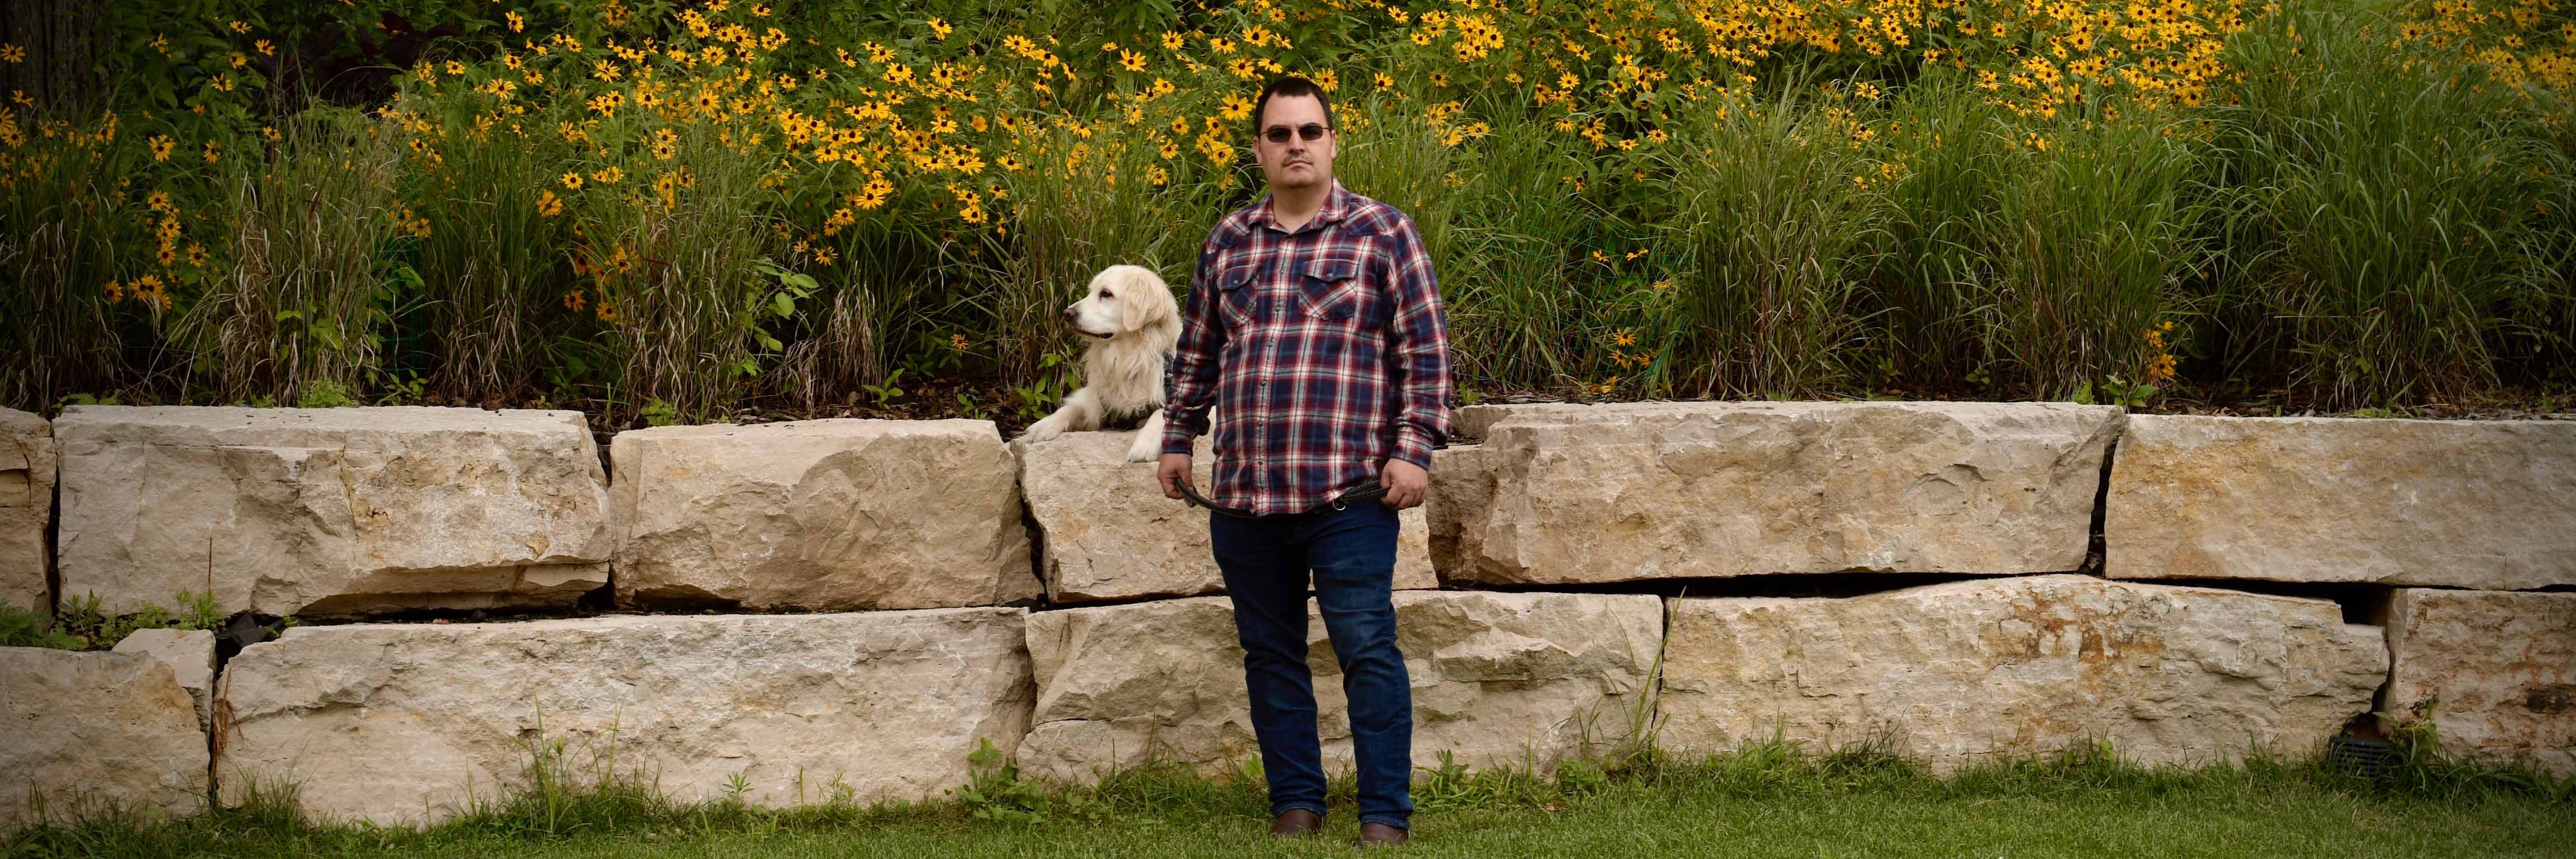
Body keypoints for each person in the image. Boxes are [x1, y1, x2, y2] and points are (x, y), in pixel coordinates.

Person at [1154, 74, 1453, 848]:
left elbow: (1426, 352)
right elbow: (1198, 352)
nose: (1296, 145)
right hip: (1247, 497)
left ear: (1331, 142)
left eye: (1309, 132)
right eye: (1280, 133)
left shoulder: (1383, 233)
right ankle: (1296, 803)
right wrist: (1178, 437)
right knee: (1270, 654)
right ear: (1259, 148)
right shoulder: (1229, 240)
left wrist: (1414, 450)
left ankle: (1384, 815)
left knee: (1367, 650)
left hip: (1349, 495)